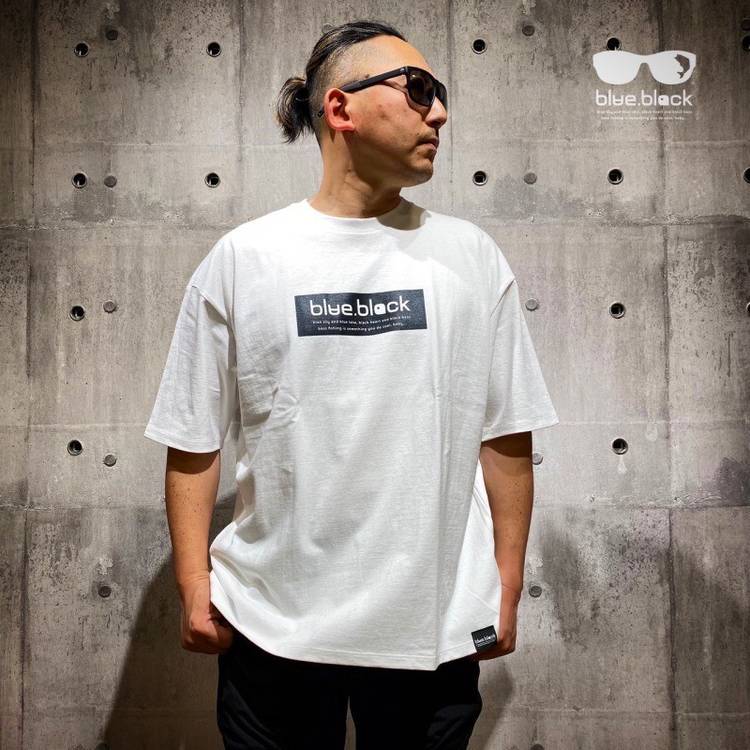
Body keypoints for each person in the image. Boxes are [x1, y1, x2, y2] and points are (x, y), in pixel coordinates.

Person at [144, 18, 559, 750]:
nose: (439, 112)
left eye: (439, 93)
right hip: (272, 623)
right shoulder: (245, 258)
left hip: (431, 625)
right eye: (419, 89)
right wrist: (193, 584)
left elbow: (506, 433)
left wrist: (506, 583)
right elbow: (192, 433)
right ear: (340, 108)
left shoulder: (471, 257)